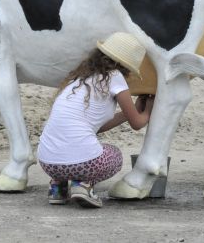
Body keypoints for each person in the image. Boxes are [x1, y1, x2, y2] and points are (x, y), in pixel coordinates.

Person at [37, 33, 153, 208]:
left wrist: (129, 113)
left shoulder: (78, 79)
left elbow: (94, 127)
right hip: (83, 165)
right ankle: (82, 185)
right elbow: (137, 124)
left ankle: (57, 188)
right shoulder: (115, 77)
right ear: (126, 66)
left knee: (72, 148)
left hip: (48, 163)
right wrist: (147, 111)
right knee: (115, 156)